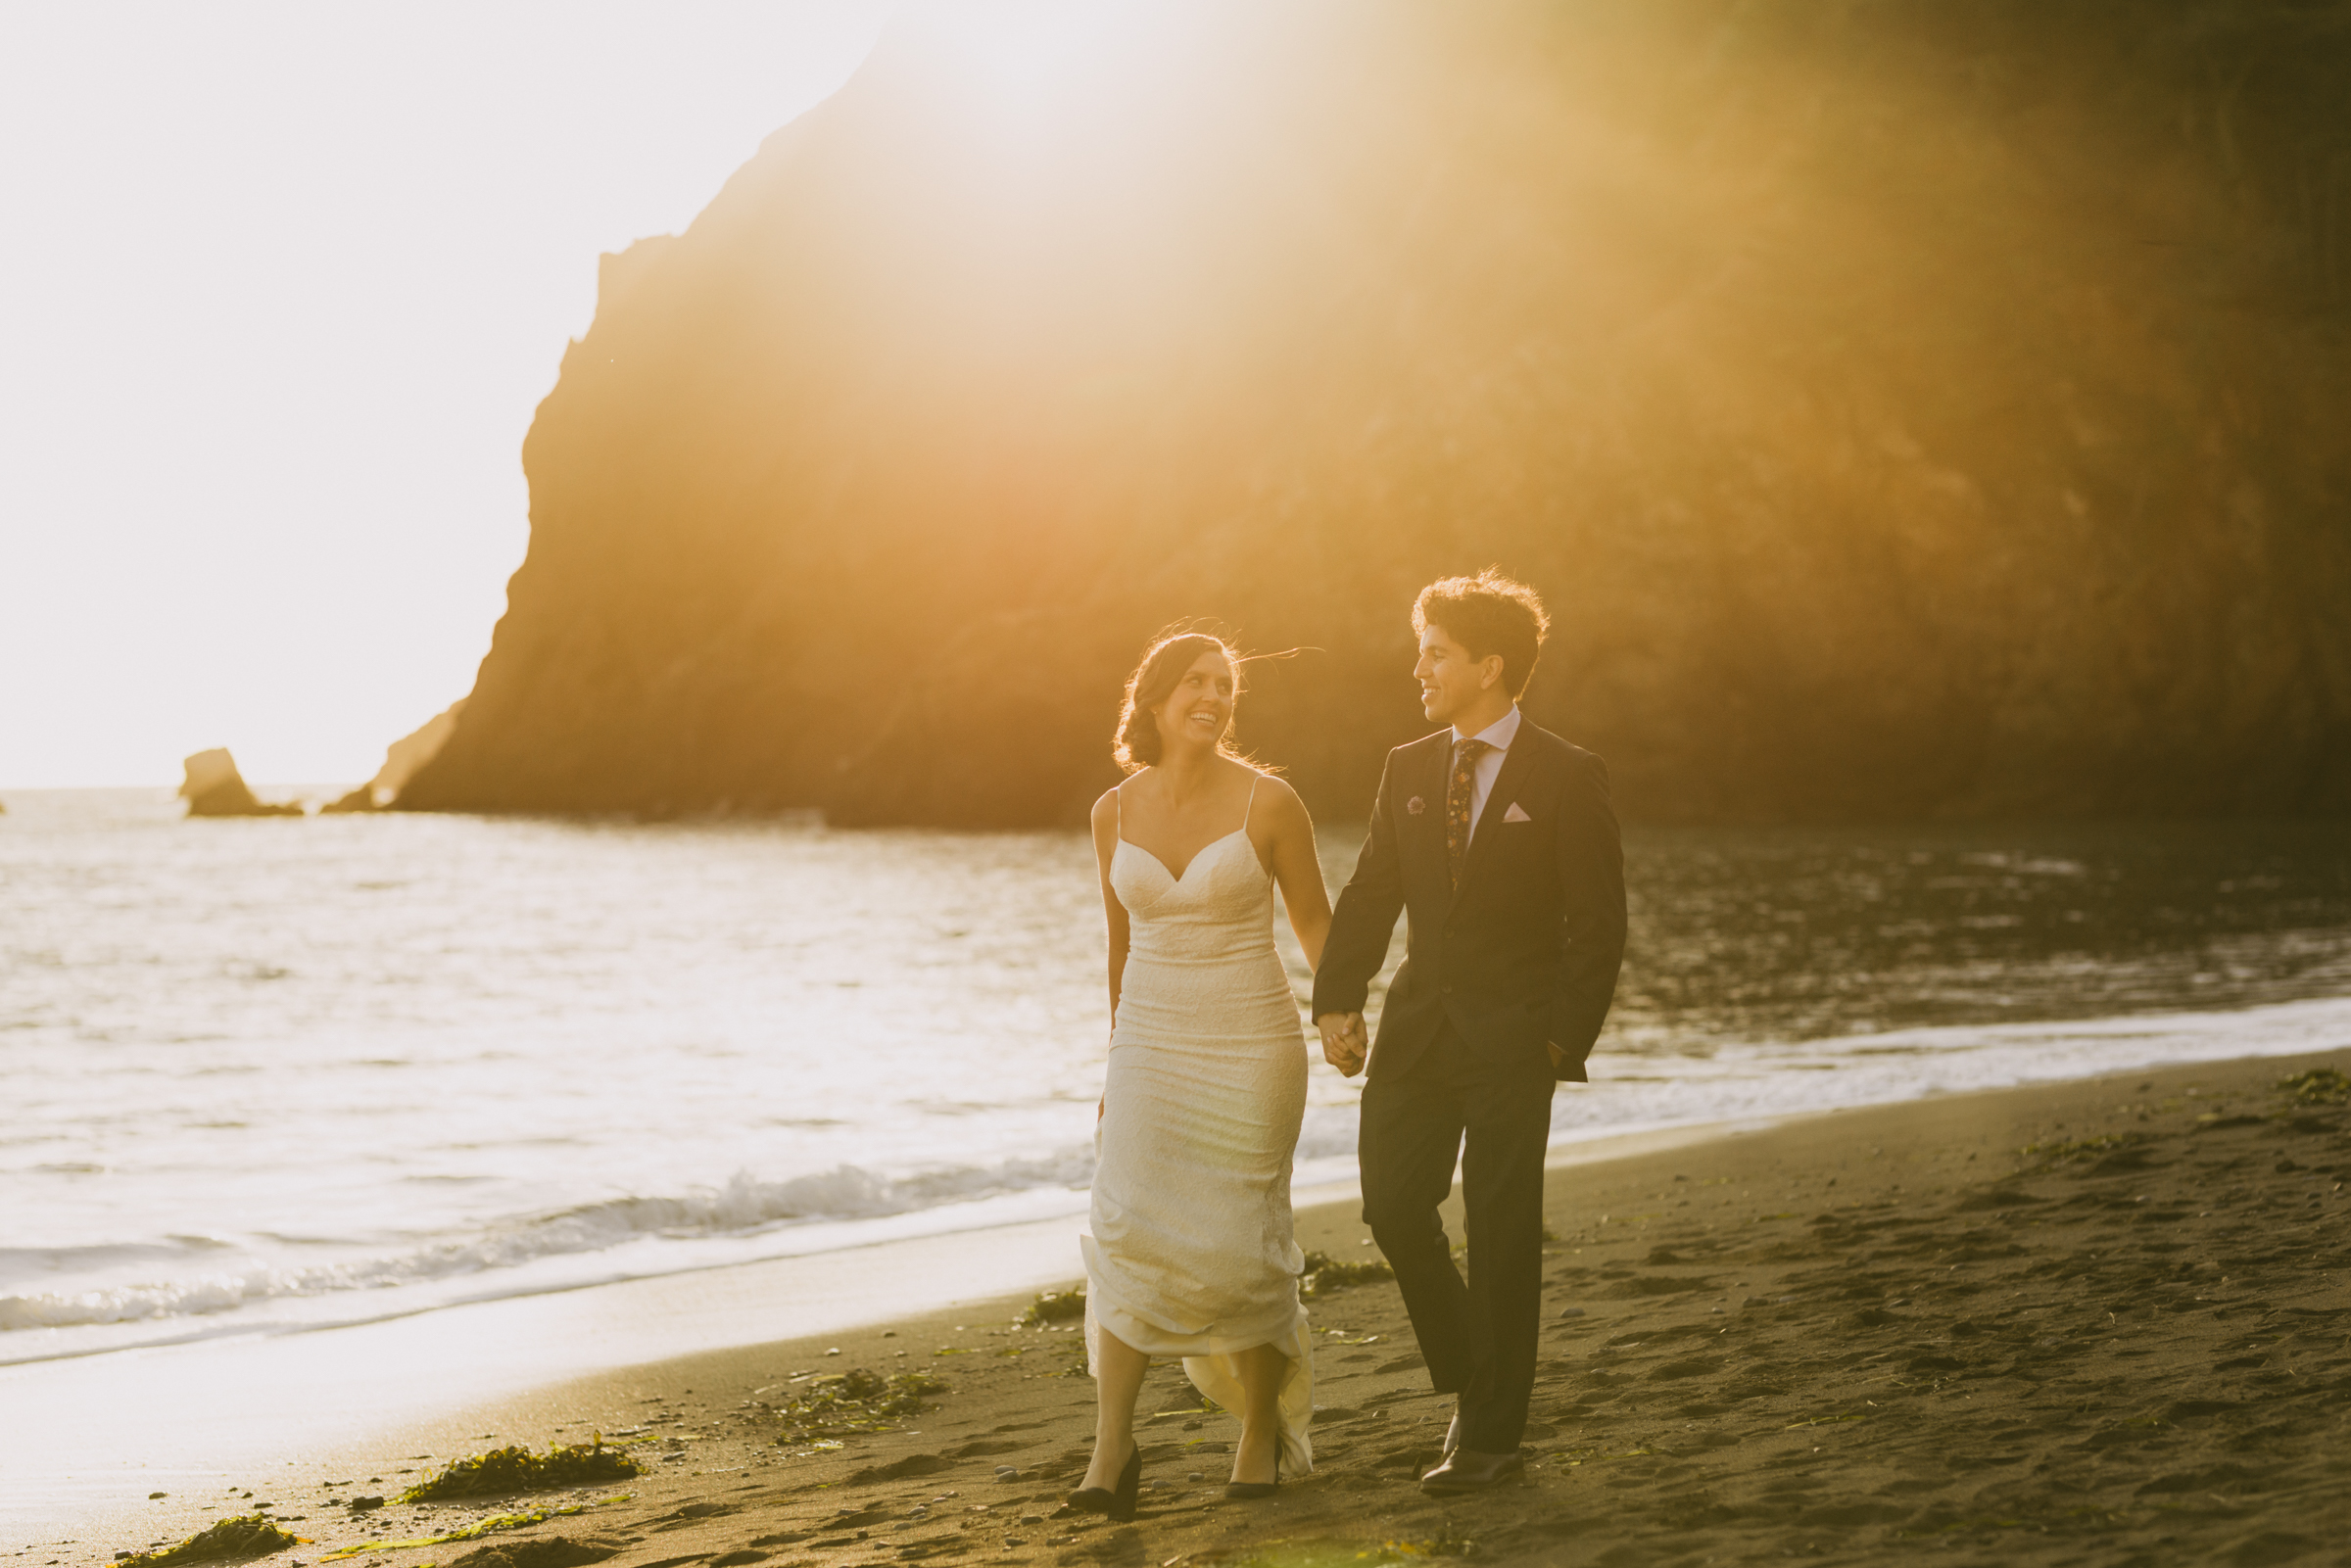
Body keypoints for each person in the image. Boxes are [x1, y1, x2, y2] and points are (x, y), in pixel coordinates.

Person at [1312, 569, 1626, 1496]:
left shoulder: (1568, 772)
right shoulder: (1408, 766)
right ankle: (1472, 1369)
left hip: (1517, 1043)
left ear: (1490, 665)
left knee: (1499, 1232)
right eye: (1422, 651)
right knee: (1392, 1206)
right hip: (1416, 1035)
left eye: (1436, 652)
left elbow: (1597, 921)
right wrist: (1337, 999)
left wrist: (1563, 1040)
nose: (1420, 668)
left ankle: (1489, 1435)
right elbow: (1372, 891)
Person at [1070, 630, 1337, 1522]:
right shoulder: (1112, 810)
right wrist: (1114, 1059)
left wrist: (1345, 1011)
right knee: (1124, 1229)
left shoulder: (1271, 801)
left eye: (1226, 685)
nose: (1215, 696)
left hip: (1251, 1045)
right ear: (1153, 696)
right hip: (1149, 1044)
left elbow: (1315, 923)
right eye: (1195, 680)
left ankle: (1258, 1429)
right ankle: (1112, 1449)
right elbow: (1120, 947)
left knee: (1242, 1239)